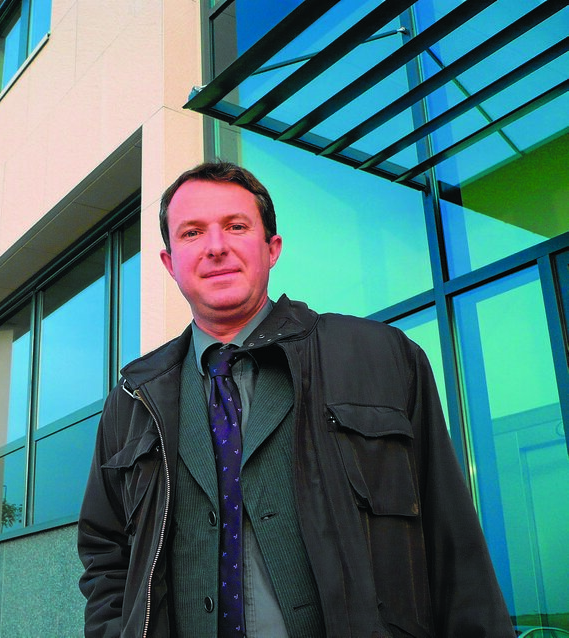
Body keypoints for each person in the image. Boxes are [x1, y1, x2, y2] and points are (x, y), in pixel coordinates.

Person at [77, 161, 514, 637]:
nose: (216, 247)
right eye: (192, 233)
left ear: (272, 249)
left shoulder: (382, 358)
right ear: (169, 262)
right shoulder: (133, 397)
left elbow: (453, 543)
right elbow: (106, 554)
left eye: (236, 227)